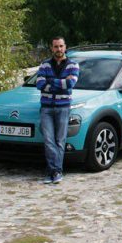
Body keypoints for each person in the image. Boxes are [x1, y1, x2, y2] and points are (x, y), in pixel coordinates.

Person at [36, 37, 79, 184]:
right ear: (51, 48)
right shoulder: (44, 65)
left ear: (65, 47)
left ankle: (55, 172)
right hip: (46, 107)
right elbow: (39, 83)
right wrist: (60, 83)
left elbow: (70, 83)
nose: (59, 49)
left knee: (60, 140)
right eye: (56, 47)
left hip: (63, 107)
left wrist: (50, 81)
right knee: (48, 140)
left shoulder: (73, 65)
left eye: (61, 46)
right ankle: (55, 171)